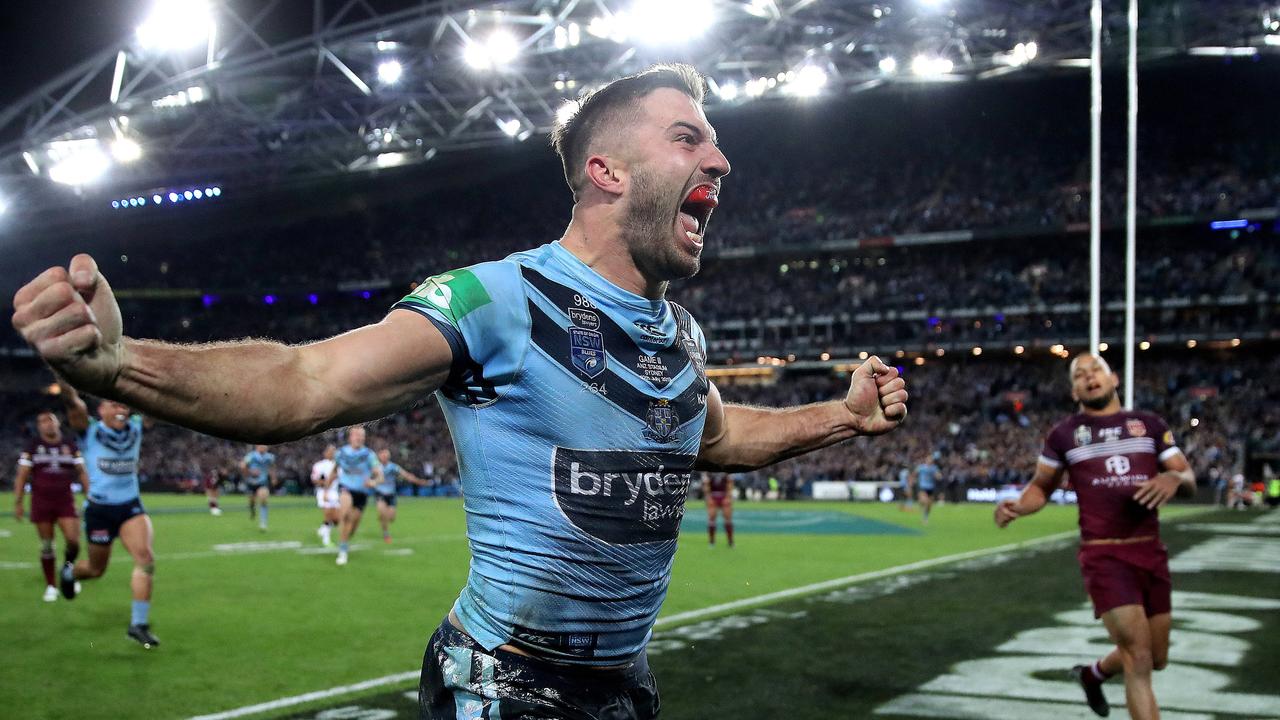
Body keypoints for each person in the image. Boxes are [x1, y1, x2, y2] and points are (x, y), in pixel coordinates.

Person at [11, 63, 908, 718]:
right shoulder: (494, 299)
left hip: (627, 683)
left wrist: (841, 415)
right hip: (505, 687)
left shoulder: (679, 334)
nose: (720, 159)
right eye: (689, 136)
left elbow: (711, 438)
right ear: (608, 171)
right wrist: (119, 367)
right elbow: (305, 380)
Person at [995, 354, 1195, 720]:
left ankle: (1092, 674)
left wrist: (1174, 478)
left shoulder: (1149, 425)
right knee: (1139, 658)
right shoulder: (1063, 435)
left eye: (1095, 371)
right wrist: (1020, 506)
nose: (1089, 378)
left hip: (1150, 550)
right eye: (1080, 375)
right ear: (1074, 390)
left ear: (1113, 377)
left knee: (1158, 656)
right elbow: (1042, 486)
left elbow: (1187, 477)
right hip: (1104, 556)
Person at [52, 382, 162, 649]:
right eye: (113, 404)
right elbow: (74, 405)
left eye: (123, 404)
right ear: (101, 410)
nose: (120, 409)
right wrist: (66, 382)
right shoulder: (88, 431)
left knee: (145, 559)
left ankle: (138, 625)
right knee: (96, 569)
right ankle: (70, 572)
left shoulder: (136, 427)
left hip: (130, 507)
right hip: (100, 510)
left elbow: (158, 406)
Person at [13, 410, 89, 602]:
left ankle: (67, 571)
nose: (47, 424)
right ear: (39, 427)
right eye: (42, 422)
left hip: (65, 500)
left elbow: (81, 472)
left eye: (50, 420)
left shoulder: (70, 445)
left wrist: (90, 496)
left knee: (73, 541)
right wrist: (19, 502)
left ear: (57, 423)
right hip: (41, 502)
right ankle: (51, 585)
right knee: (47, 545)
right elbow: (22, 475)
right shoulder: (32, 446)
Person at [333, 427, 381, 565]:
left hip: (362, 493)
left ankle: (344, 539)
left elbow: (380, 475)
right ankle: (342, 551)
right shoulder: (341, 453)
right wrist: (325, 489)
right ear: (351, 437)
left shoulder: (369, 455)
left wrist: (373, 481)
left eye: (362, 436)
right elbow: (334, 470)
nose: (360, 438)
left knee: (352, 527)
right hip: (346, 488)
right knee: (346, 515)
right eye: (357, 435)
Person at [374, 447, 430, 543]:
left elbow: (406, 475)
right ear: (379, 456)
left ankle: (384, 519)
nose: (384, 456)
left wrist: (420, 482)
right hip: (380, 494)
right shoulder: (375, 467)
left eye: (386, 454)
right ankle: (386, 534)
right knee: (382, 513)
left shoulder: (393, 467)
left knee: (391, 517)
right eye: (382, 454)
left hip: (391, 495)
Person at [240, 444, 277, 531]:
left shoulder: (270, 457)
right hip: (251, 482)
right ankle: (252, 509)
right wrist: (250, 472)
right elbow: (242, 466)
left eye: (265, 446)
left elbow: (272, 467)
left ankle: (263, 523)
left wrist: (273, 478)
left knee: (263, 499)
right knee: (252, 501)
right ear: (257, 446)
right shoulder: (251, 456)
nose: (264, 447)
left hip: (262, 482)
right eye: (262, 446)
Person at [311, 444, 339, 546]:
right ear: (325, 453)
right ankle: (326, 540)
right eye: (330, 451)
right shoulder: (319, 465)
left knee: (336, 519)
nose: (332, 453)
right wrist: (325, 484)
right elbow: (315, 479)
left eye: (334, 451)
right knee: (328, 514)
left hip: (335, 492)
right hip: (323, 492)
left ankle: (322, 530)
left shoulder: (338, 465)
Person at [701, 472, 734, 547]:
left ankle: (730, 541)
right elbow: (706, 484)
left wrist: (728, 497)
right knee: (712, 517)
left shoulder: (726, 469)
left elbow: (730, 483)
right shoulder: (709, 470)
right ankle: (712, 541)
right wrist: (708, 497)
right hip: (713, 495)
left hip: (724, 495)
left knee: (728, 518)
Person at [912, 456, 942, 524]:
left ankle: (925, 518)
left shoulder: (934, 468)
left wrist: (939, 476)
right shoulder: (921, 467)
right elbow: (915, 473)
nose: (930, 461)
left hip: (931, 488)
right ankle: (921, 503)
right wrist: (914, 479)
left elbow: (938, 475)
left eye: (931, 460)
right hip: (923, 487)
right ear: (926, 460)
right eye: (928, 460)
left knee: (929, 505)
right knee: (926, 501)